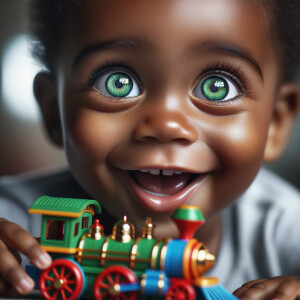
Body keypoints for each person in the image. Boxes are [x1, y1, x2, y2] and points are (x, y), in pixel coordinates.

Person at [0, 0, 299, 298]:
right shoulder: (11, 223)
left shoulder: (284, 228)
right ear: (54, 111)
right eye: (117, 83)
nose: (166, 125)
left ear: (275, 121)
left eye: (217, 87)